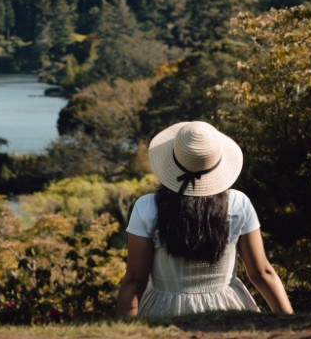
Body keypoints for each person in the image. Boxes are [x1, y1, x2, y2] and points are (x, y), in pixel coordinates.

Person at [116, 121, 293, 317]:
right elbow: (261, 273)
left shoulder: (147, 207)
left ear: (172, 161)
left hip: (163, 310)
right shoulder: (238, 203)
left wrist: (125, 329)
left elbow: (135, 279)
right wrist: (291, 324)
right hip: (226, 308)